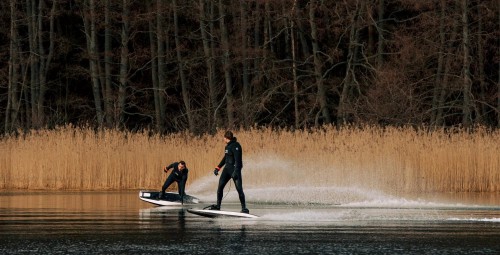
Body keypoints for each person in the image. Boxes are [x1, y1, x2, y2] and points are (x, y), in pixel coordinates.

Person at [210, 130, 249, 213]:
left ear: (226, 138)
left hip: (234, 170)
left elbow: (238, 161)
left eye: (224, 138)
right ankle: (218, 206)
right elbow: (225, 158)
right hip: (226, 170)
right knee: (220, 187)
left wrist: (236, 171)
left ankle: (244, 208)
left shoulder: (236, 146)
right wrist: (218, 167)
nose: (223, 139)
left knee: (239, 189)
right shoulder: (227, 146)